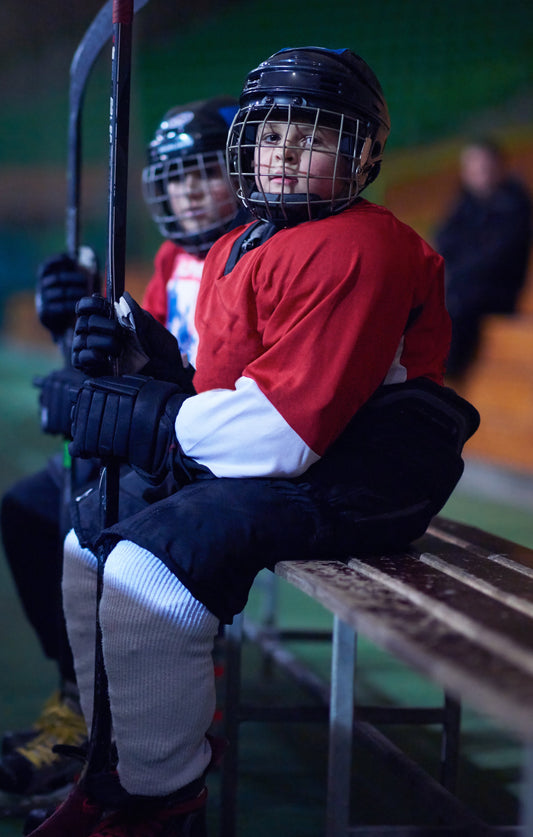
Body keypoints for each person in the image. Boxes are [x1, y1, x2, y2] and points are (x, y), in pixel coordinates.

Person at [28, 47, 479, 837]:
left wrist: (146, 415)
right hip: (306, 459)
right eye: (271, 133)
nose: (285, 151)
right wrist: (127, 350)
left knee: (146, 560)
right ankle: (114, 759)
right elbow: (218, 388)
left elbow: (278, 435)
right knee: (86, 535)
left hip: (370, 470)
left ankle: (159, 793)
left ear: (364, 155)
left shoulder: (359, 245)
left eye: (315, 136)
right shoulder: (249, 243)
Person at [0, 96, 244, 817]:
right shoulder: (172, 258)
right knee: (29, 507)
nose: (188, 190)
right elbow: (145, 364)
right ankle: (81, 697)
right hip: (166, 444)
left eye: (205, 172)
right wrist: (75, 330)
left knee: (86, 516)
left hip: (206, 457)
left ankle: (127, 727)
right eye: (174, 177)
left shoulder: (247, 253)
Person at [435, 138, 532, 383]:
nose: (478, 175)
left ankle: (446, 379)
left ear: (500, 167)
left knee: (456, 305)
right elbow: (444, 240)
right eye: (472, 169)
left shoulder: (515, 205)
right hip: (464, 286)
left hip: (495, 292)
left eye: (484, 168)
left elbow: (496, 258)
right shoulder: (466, 203)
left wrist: (453, 275)